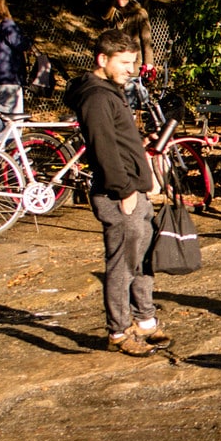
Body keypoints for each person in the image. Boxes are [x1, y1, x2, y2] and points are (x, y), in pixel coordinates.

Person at [66, 32, 170, 356]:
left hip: (132, 189)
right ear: (102, 60)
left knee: (141, 259)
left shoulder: (110, 91)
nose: (131, 69)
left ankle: (145, 320)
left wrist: (145, 169)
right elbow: (104, 149)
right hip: (117, 194)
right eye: (124, 62)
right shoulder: (96, 97)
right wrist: (125, 190)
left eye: (133, 62)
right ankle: (119, 331)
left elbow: (121, 139)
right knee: (123, 263)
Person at [102, 0, 155, 68]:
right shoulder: (112, 13)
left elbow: (146, 40)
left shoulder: (139, 14)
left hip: (134, 62)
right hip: (116, 61)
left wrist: (148, 63)